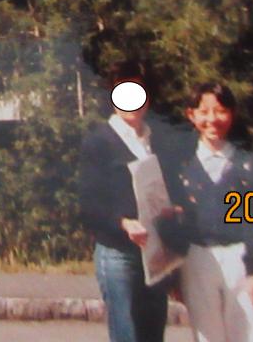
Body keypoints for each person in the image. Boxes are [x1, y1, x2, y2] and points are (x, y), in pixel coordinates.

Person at [78, 71, 181, 342]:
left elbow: (170, 189)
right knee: (128, 333)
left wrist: (174, 211)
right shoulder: (99, 141)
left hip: (155, 252)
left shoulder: (156, 140)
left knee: (153, 332)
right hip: (118, 254)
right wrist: (122, 223)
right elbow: (88, 205)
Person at [164, 82, 253, 342]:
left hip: (240, 257)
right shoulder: (181, 163)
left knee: (248, 333)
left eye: (220, 111)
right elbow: (170, 219)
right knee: (207, 335)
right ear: (191, 115)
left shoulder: (249, 162)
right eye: (204, 111)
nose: (212, 119)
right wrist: (173, 271)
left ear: (232, 114)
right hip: (197, 257)